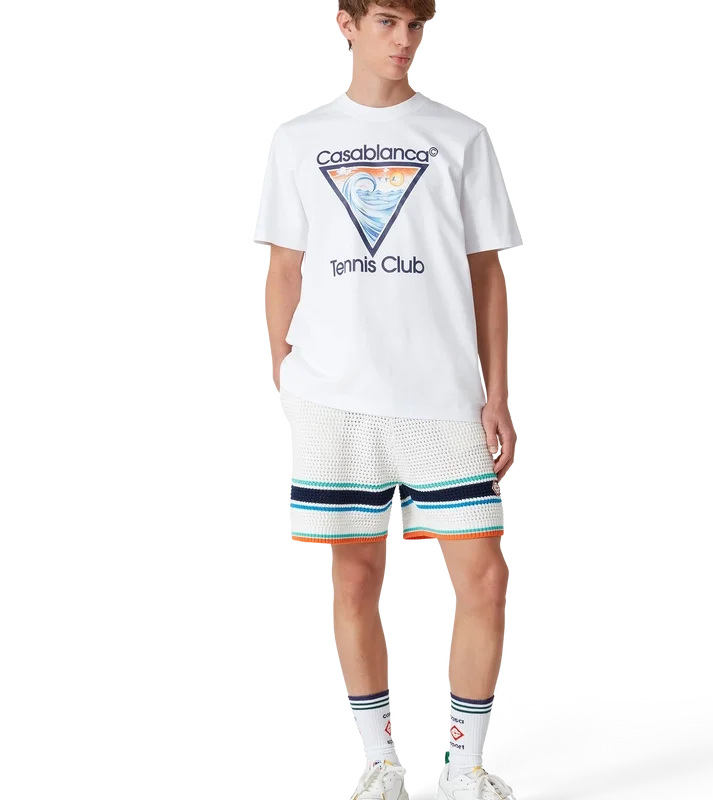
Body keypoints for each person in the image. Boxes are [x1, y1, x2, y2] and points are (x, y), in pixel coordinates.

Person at [256, 2, 521, 797]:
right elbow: (284, 264)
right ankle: (378, 762)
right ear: (344, 22)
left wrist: (498, 395)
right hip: (335, 396)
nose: (405, 41)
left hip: (443, 392)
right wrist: (283, 374)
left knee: (482, 577)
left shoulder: (462, 135)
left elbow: (486, 272)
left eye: (416, 24)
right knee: (354, 578)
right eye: (386, 22)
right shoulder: (297, 137)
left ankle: (464, 767)